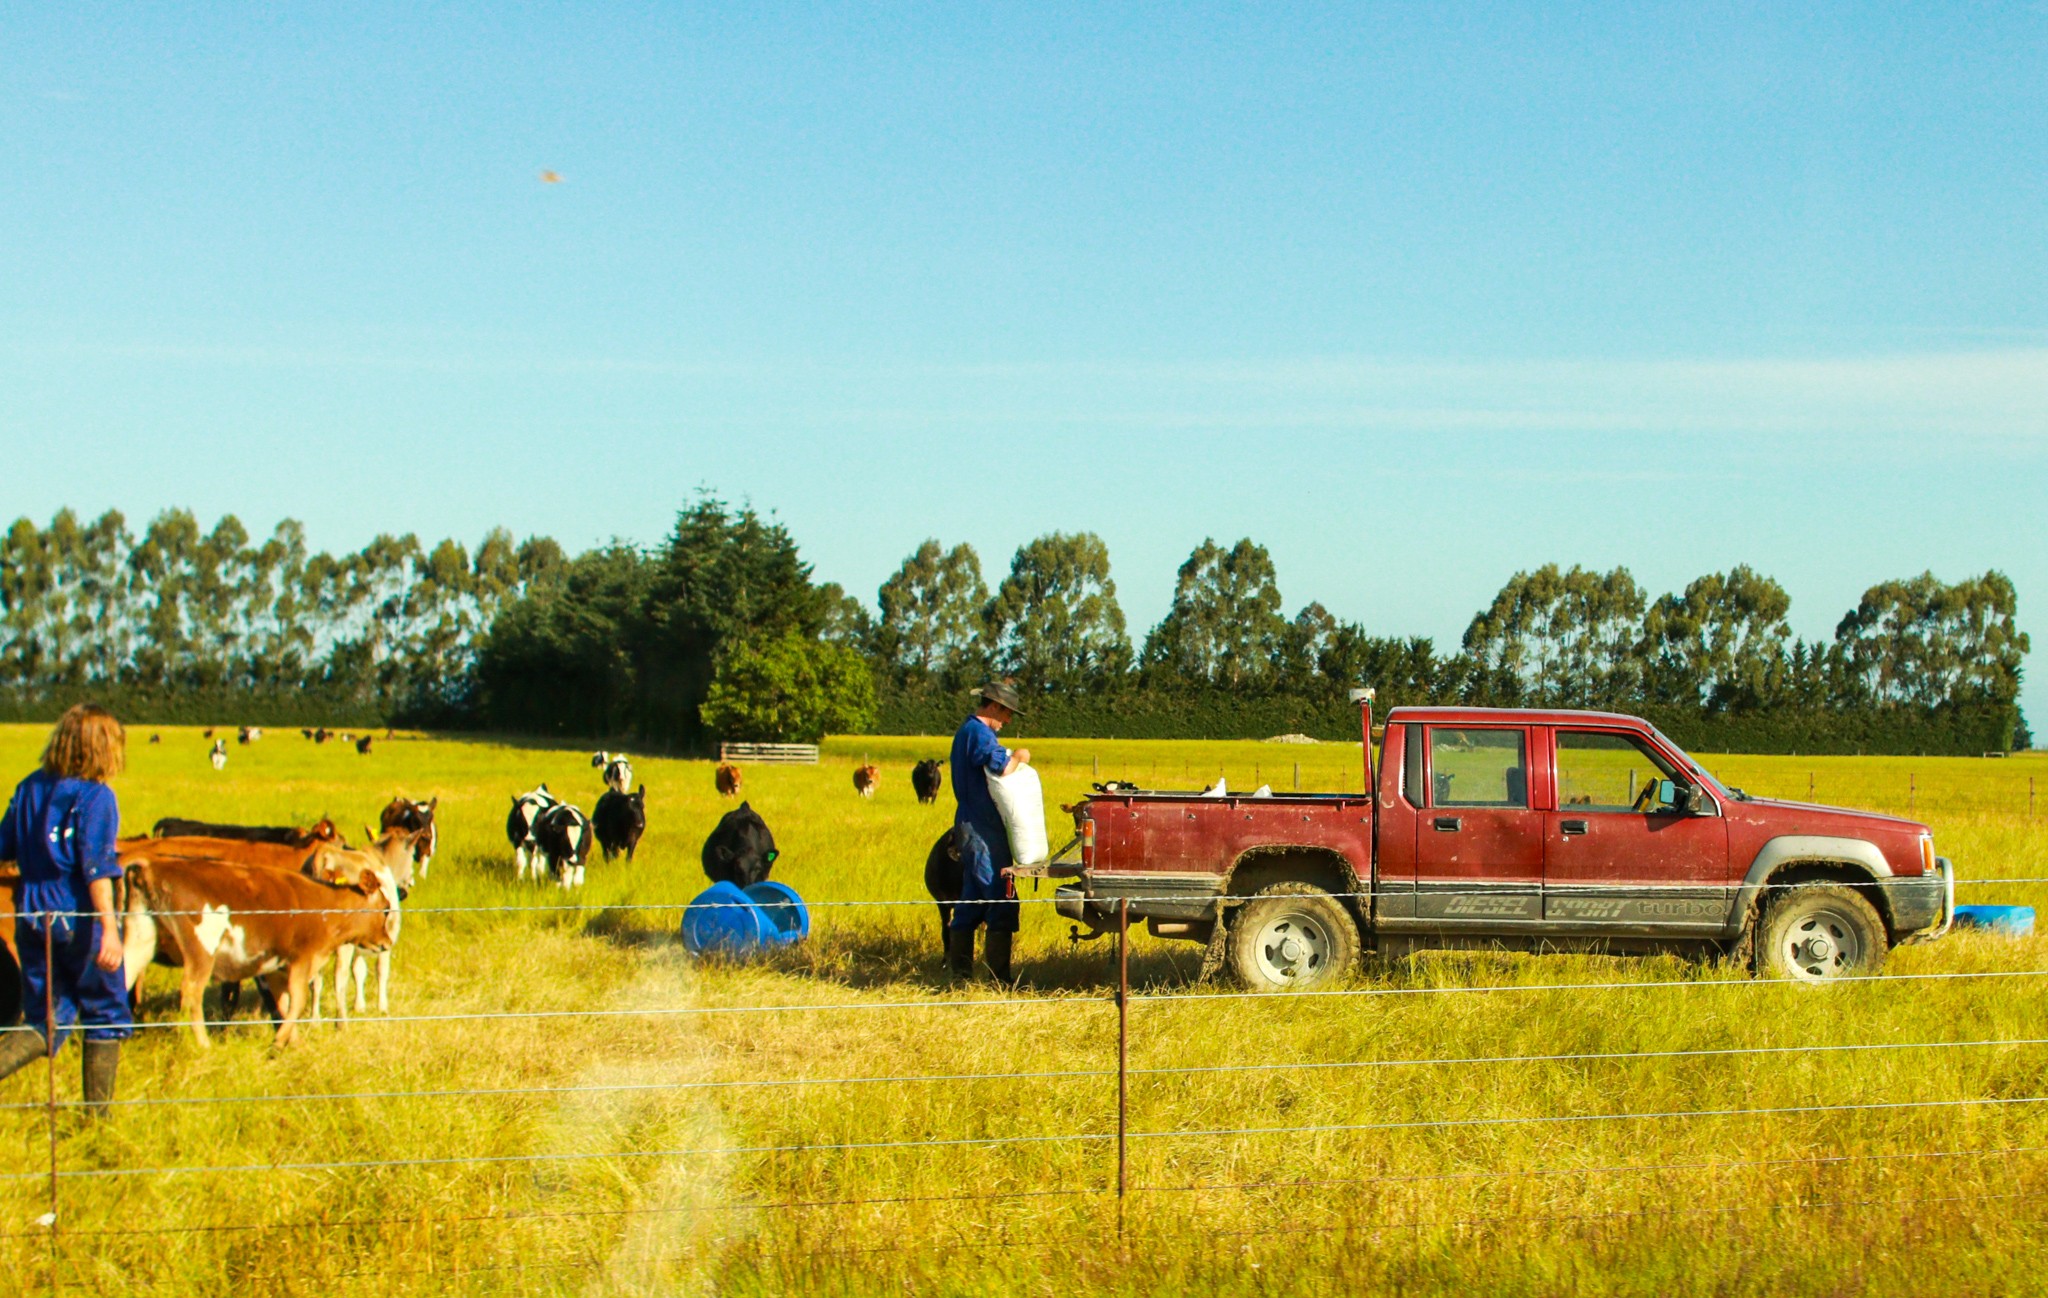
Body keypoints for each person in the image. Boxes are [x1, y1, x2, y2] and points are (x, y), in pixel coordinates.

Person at [0, 704, 131, 1113]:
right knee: (105, 1014)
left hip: (32, 915)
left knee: (44, 1021)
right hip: (79, 918)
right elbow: (96, 869)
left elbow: (3, 848)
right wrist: (109, 929)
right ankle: (98, 1122)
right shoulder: (96, 797)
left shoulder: (27, 789)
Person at [948, 681, 1031, 981]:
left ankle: (960, 976)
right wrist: (1020, 756)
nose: (1007, 721)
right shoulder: (980, 733)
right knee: (1001, 895)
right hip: (981, 829)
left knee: (971, 898)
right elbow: (1003, 768)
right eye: (1007, 713)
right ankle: (1000, 980)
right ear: (994, 706)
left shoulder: (967, 731)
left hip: (971, 825)